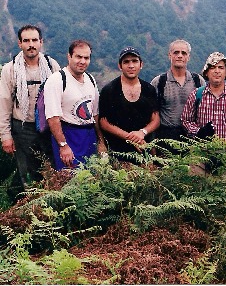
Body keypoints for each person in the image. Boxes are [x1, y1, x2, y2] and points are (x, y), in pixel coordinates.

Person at [0, 25, 60, 188]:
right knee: (27, 172)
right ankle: (30, 207)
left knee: (52, 168)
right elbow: (4, 103)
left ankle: (51, 206)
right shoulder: (10, 69)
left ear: (41, 42)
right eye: (26, 41)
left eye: (34, 40)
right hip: (23, 128)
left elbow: (61, 96)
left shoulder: (51, 65)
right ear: (20, 43)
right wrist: (5, 136)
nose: (31, 44)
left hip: (49, 127)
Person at [181, 52, 226, 172]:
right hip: (200, 152)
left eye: (221, 67)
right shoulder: (197, 95)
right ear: (206, 72)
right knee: (198, 188)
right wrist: (199, 131)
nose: (217, 71)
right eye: (212, 67)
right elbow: (185, 120)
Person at [44, 40, 106, 171]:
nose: (82, 61)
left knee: (92, 178)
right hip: (69, 135)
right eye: (78, 57)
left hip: (89, 137)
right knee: (70, 180)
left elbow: (94, 114)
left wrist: (101, 141)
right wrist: (63, 145)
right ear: (69, 56)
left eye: (86, 58)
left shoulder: (90, 79)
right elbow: (53, 117)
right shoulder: (57, 80)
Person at [99, 47, 160, 160]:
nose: (131, 65)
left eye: (134, 61)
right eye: (126, 62)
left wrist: (142, 132)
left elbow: (156, 119)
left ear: (141, 64)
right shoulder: (109, 90)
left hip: (144, 149)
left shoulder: (149, 89)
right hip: (117, 152)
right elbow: (103, 122)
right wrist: (132, 138)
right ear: (120, 66)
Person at [151, 40, 204, 153]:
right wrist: (152, 145)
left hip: (192, 138)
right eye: (176, 52)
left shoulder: (198, 81)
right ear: (169, 55)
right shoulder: (159, 82)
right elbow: (152, 115)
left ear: (188, 57)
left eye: (183, 53)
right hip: (165, 138)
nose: (180, 56)